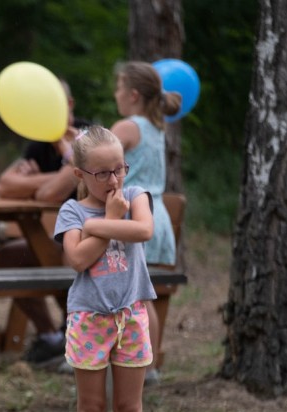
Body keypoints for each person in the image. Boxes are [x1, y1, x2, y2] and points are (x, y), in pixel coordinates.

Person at [55, 126, 165, 412]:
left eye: (119, 169)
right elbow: (78, 259)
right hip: (89, 319)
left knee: (130, 409)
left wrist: (101, 224)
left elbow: (144, 231)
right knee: (92, 410)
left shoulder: (135, 198)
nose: (114, 180)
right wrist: (108, 220)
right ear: (79, 174)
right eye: (102, 173)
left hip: (130, 317)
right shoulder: (71, 212)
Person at [0, 78, 83, 369]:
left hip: (90, 242)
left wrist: (31, 182)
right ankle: (50, 338)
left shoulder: (87, 139)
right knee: (8, 257)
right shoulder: (40, 143)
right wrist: (57, 175)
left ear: (68, 105)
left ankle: (78, 338)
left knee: (64, 259)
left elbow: (49, 194)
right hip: (54, 237)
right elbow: (5, 185)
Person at [110, 61, 182, 386]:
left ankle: (143, 365)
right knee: (141, 296)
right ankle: (145, 364)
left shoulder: (127, 127)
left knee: (135, 298)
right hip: (156, 217)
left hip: (131, 217)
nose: (116, 94)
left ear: (134, 95)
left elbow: (94, 157)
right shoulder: (157, 127)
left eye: (119, 87)